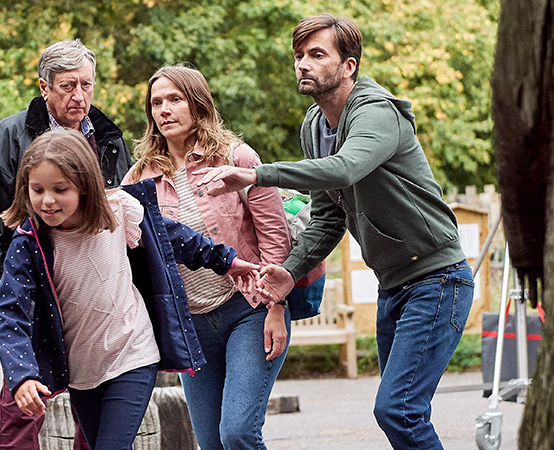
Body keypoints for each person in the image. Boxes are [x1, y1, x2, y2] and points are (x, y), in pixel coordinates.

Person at [196, 14, 474, 450]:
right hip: (394, 285)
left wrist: (256, 175)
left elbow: (346, 169)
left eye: (317, 54)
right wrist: (289, 270)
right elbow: (327, 216)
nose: (303, 64)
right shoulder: (315, 125)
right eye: (299, 55)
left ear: (349, 66)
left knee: (398, 410)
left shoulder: (376, 111)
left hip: (436, 279)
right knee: (402, 415)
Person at [0, 129, 259, 450]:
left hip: (132, 354)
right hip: (83, 372)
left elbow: (175, 237)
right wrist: (21, 375)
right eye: (37, 190)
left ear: (84, 186)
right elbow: (10, 312)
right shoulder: (29, 242)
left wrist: (226, 261)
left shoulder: (119, 210)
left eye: (60, 189)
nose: (47, 200)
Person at [123, 64, 305, 450]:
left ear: (198, 104)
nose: (164, 110)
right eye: (156, 103)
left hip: (250, 308)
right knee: (210, 443)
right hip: (191, 325)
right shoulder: (139, 178)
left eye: (175, 99)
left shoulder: (237, 158)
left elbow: (274, 237)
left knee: (237, 434)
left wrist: (276, 307)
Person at [0, 39, 131, 449]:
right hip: (35, 292)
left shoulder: (108, 138)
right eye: (68, 86)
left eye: (87, 86)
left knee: (94, 411)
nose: (80, 96)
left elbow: (128, 221)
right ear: (44, 87)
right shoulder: (9, 134)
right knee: (21, 406)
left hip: (98, 294)